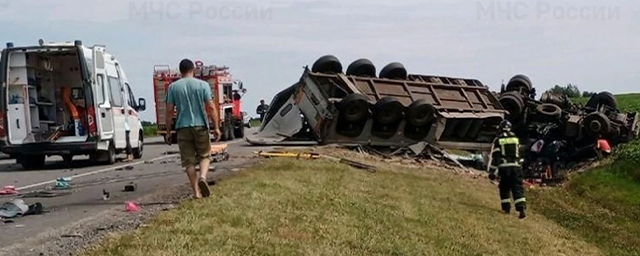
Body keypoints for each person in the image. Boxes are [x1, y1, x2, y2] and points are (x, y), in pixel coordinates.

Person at [165, 59, 222, 199]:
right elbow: (211, 107)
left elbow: (169, 110)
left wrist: (167, 131)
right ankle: (203, 176)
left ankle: (196, 192)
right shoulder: (203, 85)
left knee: (188, 161)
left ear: (180, 71)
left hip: (182, 127)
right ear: (193, 69)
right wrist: (216, 127)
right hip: (200, 125)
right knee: (204, 155)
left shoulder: (173, 87)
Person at [489, 120, 527, 219]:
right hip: (516, 167)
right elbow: (520, 154)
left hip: (504, 168)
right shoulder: (516, 139)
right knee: (517, 188)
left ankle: (506, 208)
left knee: (504, 188)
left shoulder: (499, 140)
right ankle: (521, 208)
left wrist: (492, 172)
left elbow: (496, 157)